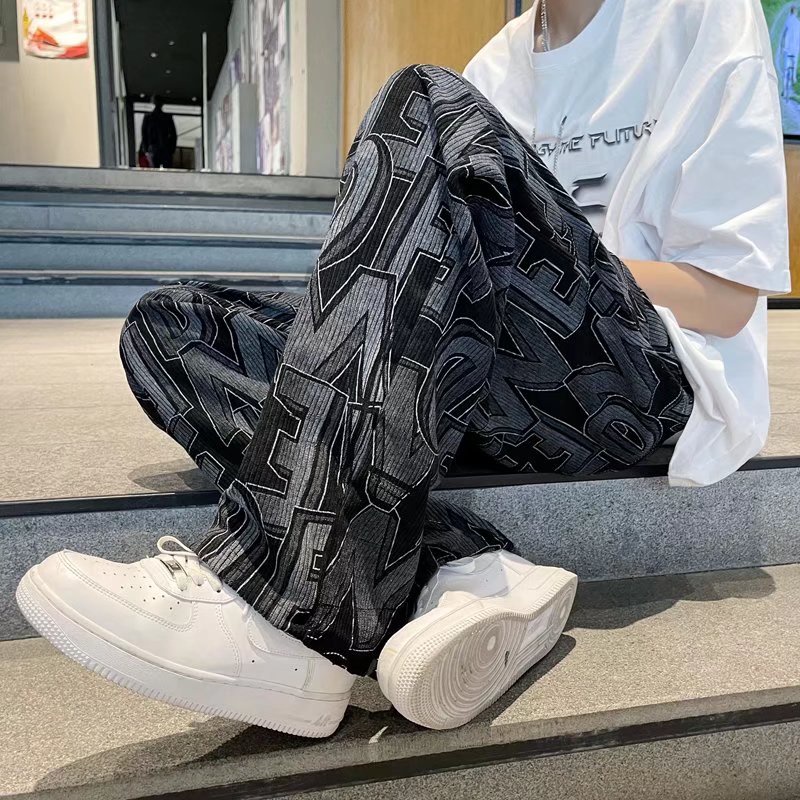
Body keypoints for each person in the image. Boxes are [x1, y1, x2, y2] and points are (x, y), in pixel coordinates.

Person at [17, 0, 789, 737]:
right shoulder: (501, 61)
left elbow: (725, 299)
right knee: (173, 327)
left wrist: (505, 253)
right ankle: (471, 569)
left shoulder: (698, 16)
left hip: (646, 387)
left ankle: (291, 603)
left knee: (423, 96)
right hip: (496, 381)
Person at [139, 95, 177, 169]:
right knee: (166, 170)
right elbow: (173, 135)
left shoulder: (148, 117)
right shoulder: (167, 117)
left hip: (154, 148)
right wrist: (172, 149)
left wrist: (146, 149)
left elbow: (144, 135)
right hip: (164, 148)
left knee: (154, 170)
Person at [781, 5, 800, 99]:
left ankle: (785, 91)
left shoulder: (788, 21)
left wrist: (782, 46)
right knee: (793, 68)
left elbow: (784, 35)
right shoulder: (798, 23)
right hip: (795, 50)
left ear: (791, 11)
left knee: (786, 70)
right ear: (795, 12)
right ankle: (793, 78)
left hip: (787, 50)